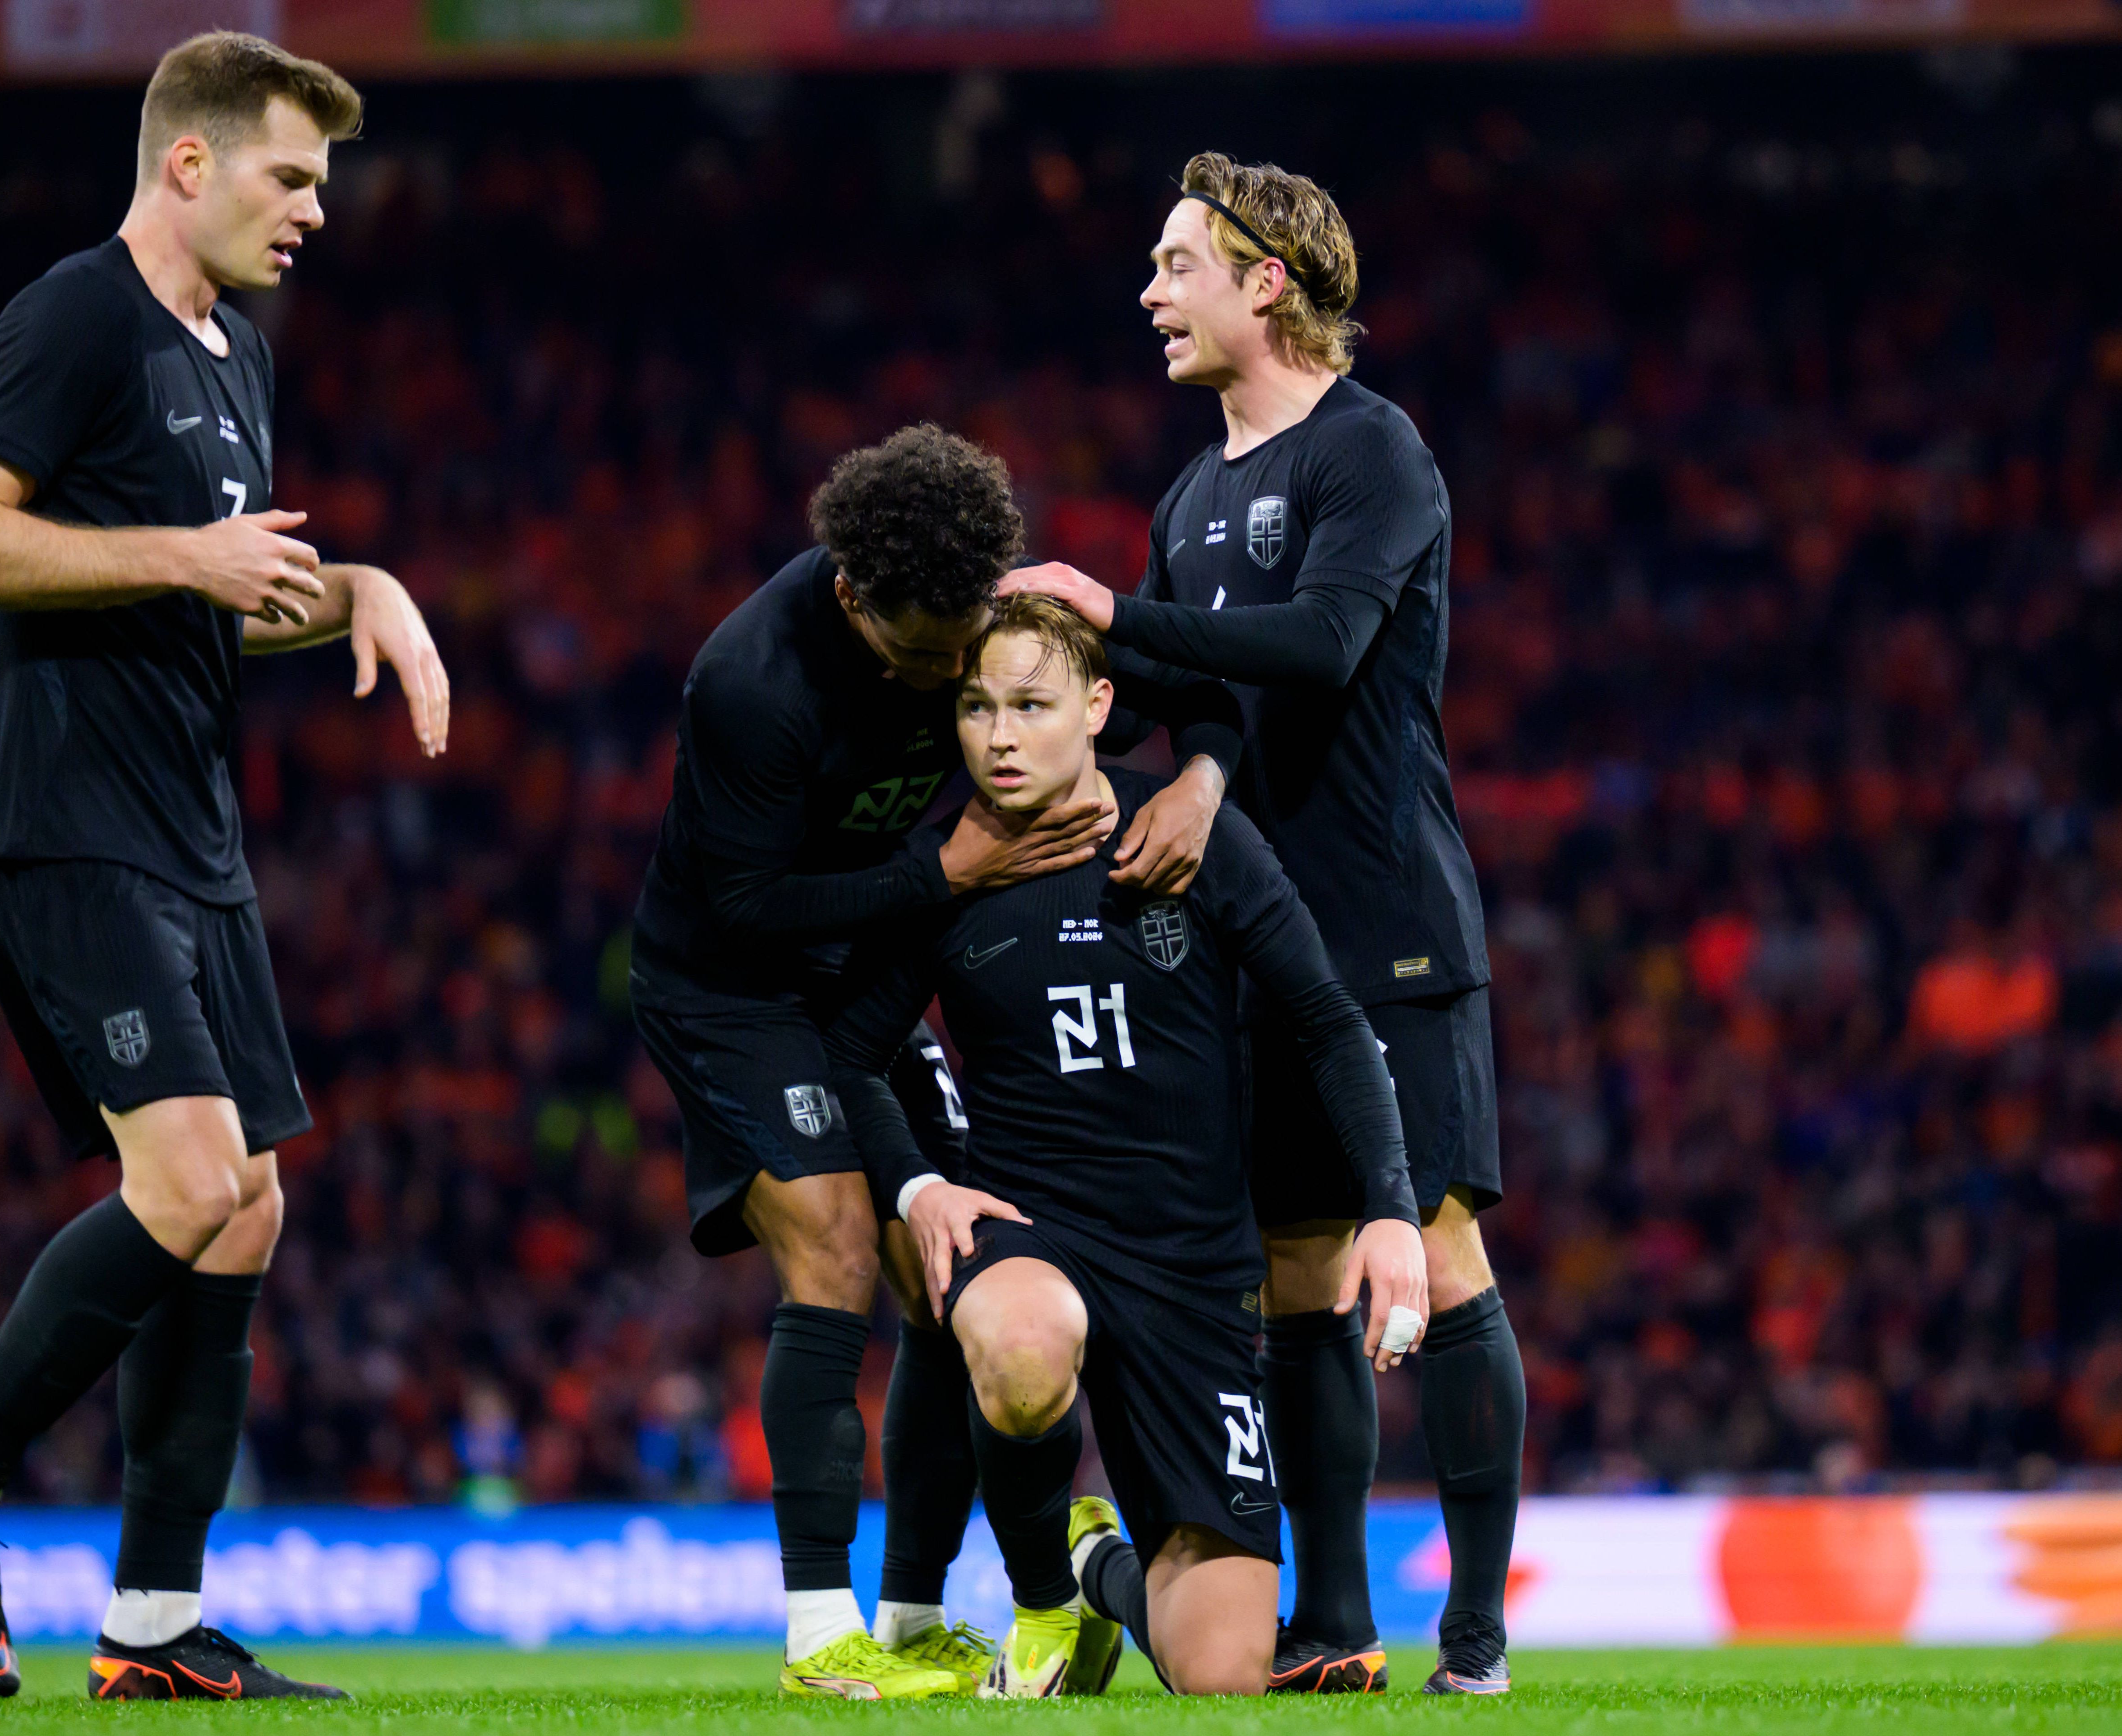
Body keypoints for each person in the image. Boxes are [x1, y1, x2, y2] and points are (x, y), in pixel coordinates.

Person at [0, 32, 450, 1702]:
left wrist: (367, 591)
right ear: (187, 164)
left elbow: (238, 592)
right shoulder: (74, 315)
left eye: (323, 185)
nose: (316, 212)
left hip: (193, 836)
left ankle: (149, 1627)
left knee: (248, 1206)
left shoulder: (237, 357)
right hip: (65, 820)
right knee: (190, 1182)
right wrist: (183, 553)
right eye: (291, 176)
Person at [1003, 151, 1521, 1695]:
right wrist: (1031, 654)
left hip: (1388, 921)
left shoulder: (1373, 451)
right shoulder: (1191, 492)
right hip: (1255, 936)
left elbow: (1318, 644)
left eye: (1175, 265)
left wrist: (1115, 614)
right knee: (1297, 1272)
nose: (1149, 292)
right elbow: (1195, 687)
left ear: (1265, 280)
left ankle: (1478, 1638)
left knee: (1435, 1247)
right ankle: (1333, 1623)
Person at [630, 425, 1240, 1697]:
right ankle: (816, 1638)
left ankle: (909, 1623)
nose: (942, 683)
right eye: (921, 660)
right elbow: (738, 906)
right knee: (839, 1247)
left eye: (958, 655)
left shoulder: (982, 612)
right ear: (852, 596)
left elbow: (1185, 680)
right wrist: (940, 874)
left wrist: (1199, 777)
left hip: (861, 972)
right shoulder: (751, 681)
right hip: (732, 986)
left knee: (946, 1263)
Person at [822, 594, 1425, 1697]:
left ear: (1098, 707)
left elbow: (1333, 1021)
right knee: (1021, 1343)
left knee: (1222, 1674)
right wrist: (917, 1184)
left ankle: (1095, 1562)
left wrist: (1389, 1203)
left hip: (1194, 1269)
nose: (998, 736)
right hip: (1033, 1233)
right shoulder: (949, 868)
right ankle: (1042, 1595)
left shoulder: (1194, 836)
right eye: (974, 707)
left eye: (1030, 705)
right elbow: (849, 1050)